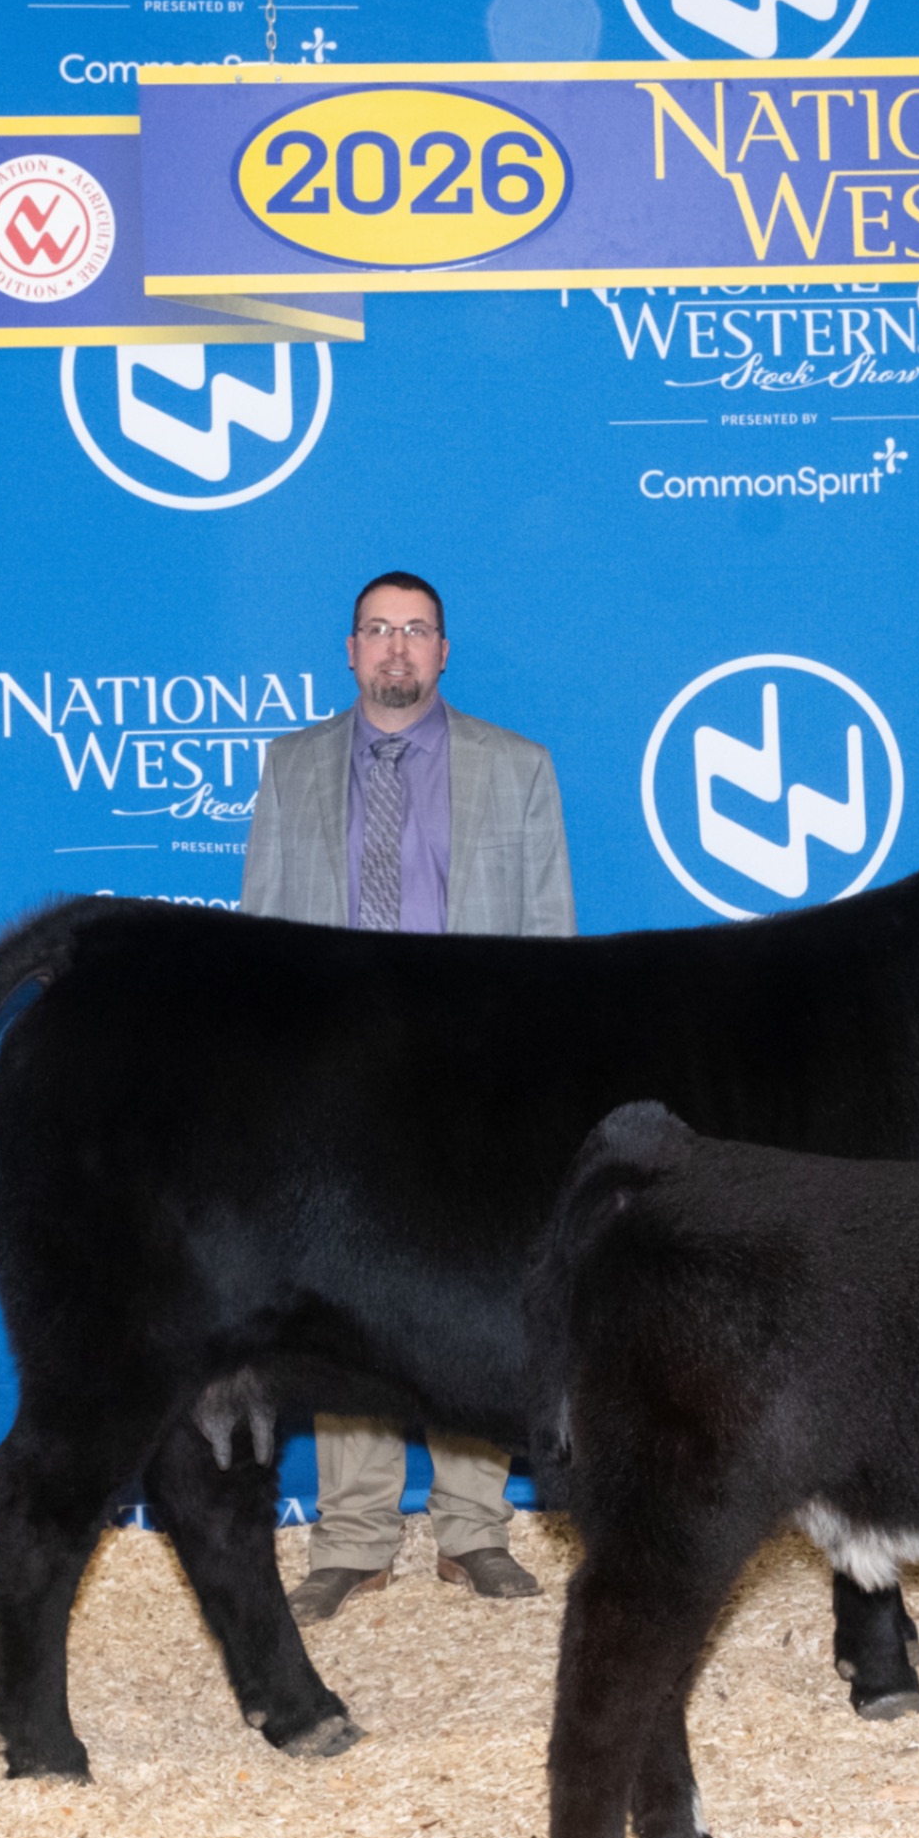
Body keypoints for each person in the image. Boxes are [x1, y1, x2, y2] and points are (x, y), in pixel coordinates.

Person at [238, 570, 575, 1622]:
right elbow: (256, 933)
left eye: (415, 631)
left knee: (471, 1296)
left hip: (471, 1086)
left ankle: (473, 1530)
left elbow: (551, 945)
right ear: (348, 651)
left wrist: (530, 1086)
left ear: (443, 651)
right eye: (377, 631)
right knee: (345, 1304)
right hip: (334, 1086)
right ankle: (352, 1537)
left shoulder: (516, 768)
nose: (395, 649)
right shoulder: (289, 768)